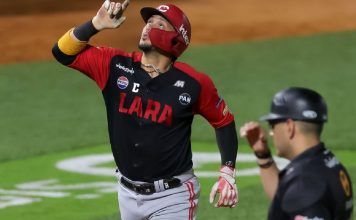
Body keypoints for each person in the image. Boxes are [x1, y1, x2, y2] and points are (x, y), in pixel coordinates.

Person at [52, 1, 239, 219]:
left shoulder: (194, 83)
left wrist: (227, 171)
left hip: (173, 196)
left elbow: (223, 122)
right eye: (148, 22)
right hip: (126, 194)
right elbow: (62, 52)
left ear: (176, 39)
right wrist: (96, 24)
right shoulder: (114, 64)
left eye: (160, 24)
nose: (148, 26)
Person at [240, 87, 353, 220]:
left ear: (289, 126)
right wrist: (262, 154)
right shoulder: (327, 162)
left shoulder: (305, 183)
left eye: (272, 125)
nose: (271, 133)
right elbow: (286, 199)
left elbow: (298, 195)